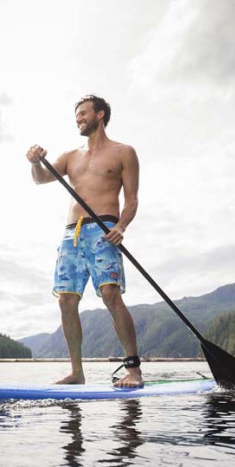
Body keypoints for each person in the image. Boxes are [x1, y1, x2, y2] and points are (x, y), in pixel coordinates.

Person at [26, 94, 142, 387]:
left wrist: (122, 225)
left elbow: (132, 200)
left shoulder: (124, 152)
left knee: (110, 295)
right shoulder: (70, 156)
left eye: (83, 113)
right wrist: (36, 162)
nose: (78, 118)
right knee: (66, 301)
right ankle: (77, 372)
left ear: (100, 114)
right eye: (76, 115)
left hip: (104, 230)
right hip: (71, 234)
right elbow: (40, 179)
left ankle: (133, 370)